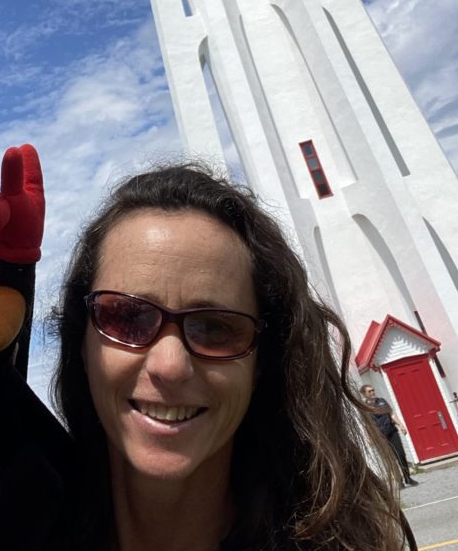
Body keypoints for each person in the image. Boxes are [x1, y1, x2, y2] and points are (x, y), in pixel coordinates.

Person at [49, 162, 415, 551]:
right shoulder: (5, 527)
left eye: (215, 328)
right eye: (127, 317)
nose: (170, 365)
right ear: (81, 344)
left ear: (261, 362)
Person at [360, 384, 419, 488]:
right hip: (380, 435)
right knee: (391, 459)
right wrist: (368, 437)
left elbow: (391, 413)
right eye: (369, 391)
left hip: (392, 431)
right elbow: (367, 423)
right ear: (364, 394)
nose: (373, 392)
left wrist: (401, 425)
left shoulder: (382, 401)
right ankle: (399, 481)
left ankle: (407, 478)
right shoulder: (364, 407)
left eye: (373, 390)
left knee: (400, 455)